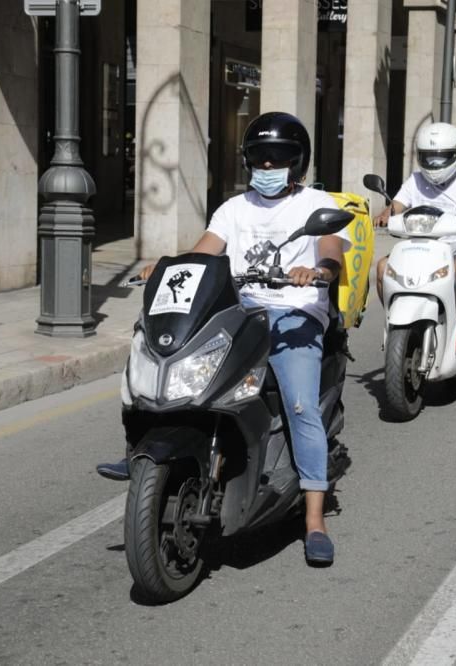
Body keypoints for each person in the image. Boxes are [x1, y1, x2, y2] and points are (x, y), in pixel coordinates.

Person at [98, 112, 350, 565]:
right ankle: (141, 450)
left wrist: (318, 271)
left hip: (295, 314)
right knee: (176, 370)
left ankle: (314, 518)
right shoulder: (234, 209)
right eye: (259, 158)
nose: (267, 167)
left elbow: (331, 252)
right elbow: (204, 252)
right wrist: (169, 265)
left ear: (298, 163)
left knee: (300, 404)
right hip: (242, 310)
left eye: (278, 159)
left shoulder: (315, 204)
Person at [374, 122, 456, 353]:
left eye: (441, 157)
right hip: (417, 244)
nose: (435, 164)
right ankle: (393, 322)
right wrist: (385, 213)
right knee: (382, 268)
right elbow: (396, 206)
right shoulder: (415, 180)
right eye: (429, 157)